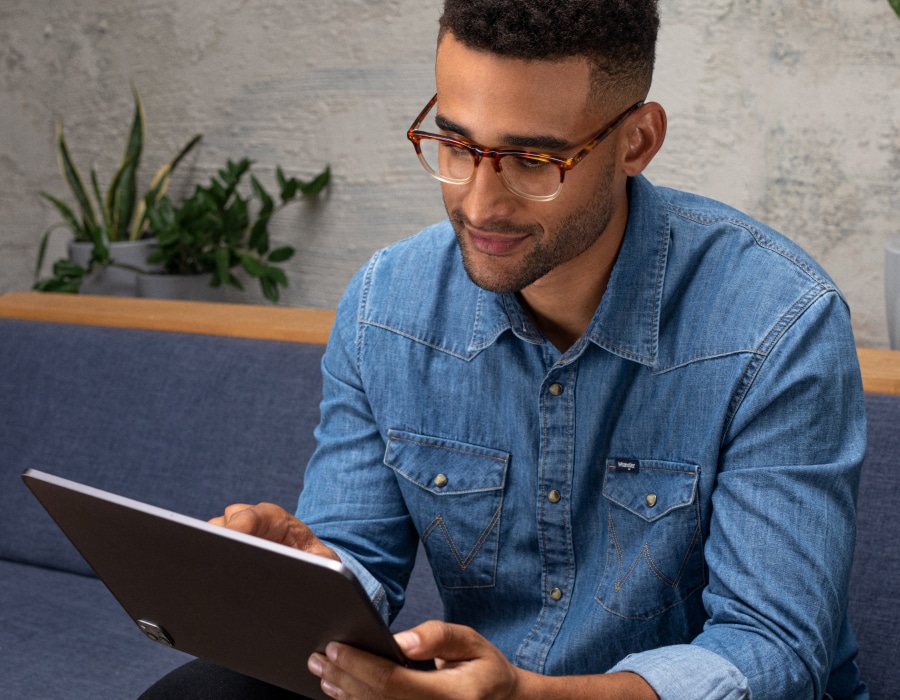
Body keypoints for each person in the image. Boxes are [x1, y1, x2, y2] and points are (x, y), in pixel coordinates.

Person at [142, 0, 868, 698]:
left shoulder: (778, 324)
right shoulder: (385, 306)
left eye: (532, 159)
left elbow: (774, 654)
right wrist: (316, 573)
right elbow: (360, 555)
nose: (479, 204)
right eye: (455, 144)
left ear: (636, 141)